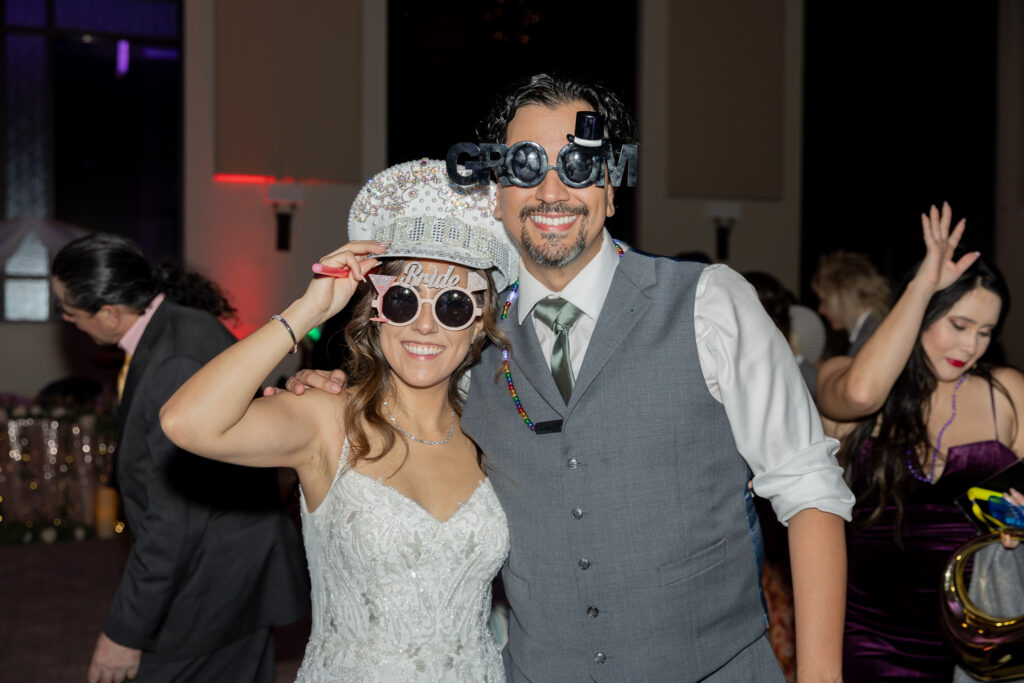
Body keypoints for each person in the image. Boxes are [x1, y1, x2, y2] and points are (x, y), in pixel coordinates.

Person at [291, 74, 855, 681]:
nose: (553, 191)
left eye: (581, 166)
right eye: (527, 167)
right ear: (498, 195)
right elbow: (403, 413)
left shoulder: (710, 303)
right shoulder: (467, 332)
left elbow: (809, 488)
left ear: (611, 189)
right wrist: (329, 393)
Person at [160, 159, 517, 682]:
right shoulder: (327, 418)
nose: (424, 323)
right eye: (402, 299)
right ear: (377, 310)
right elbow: (185, 422)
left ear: (480, 324)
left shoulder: (496, 428)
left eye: (454, 306)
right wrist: (309, 308)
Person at [51, 234, 309, 683]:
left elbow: (172, 522)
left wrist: (124, 634)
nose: (66, 320)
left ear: (110, 313)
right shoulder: (180, 320)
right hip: (234, 562)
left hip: (211, 580)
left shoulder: (173, 361)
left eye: (70, 313)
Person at [815, 203, 1024, 681]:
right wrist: (923, 284)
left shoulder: (1007, 393)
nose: (971, 347)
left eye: (986, 332)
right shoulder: (838, 375)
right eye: (958, 325)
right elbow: (862, 394)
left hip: (984, 633)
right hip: (872, 636)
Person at [812, 250, 891, 356]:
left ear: (842, 297)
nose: (820, 310)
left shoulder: (870, 339)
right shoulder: (873, 329)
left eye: (824, 301)